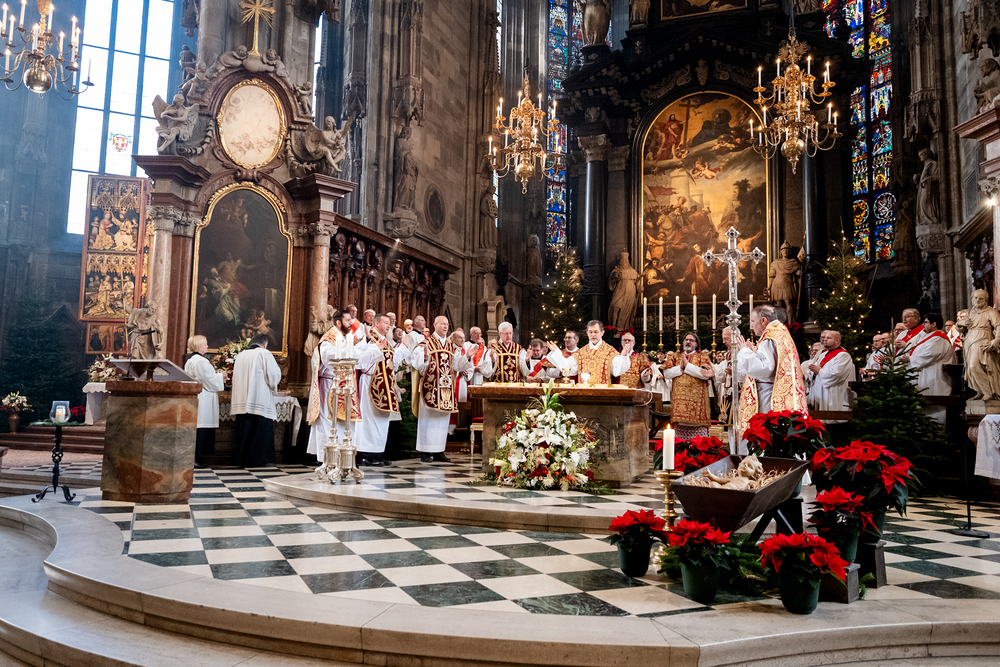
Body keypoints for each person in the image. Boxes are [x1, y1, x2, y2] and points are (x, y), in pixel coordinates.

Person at [734, 304, 808, 451]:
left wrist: (744, 351)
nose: (751, 326)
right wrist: (753, 351)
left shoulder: (770, 337)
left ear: (763, 320)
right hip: (774, 391)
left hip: (769, 396)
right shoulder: (781, 333)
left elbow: (764, 369)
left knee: (766, 442)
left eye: (753, 322)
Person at [306, 311, 371, 464]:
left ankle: (342, 458)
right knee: (328, 422)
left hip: (344, 384)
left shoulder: (345, 338)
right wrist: (349, 345)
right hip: (329, 385)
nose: (351, 324)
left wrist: (371, 348)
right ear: (338, 323)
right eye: (348, 320)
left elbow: (358, 358)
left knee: (344, 422)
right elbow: (329, 358)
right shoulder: (328, 339)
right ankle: (327, 460)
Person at [410, 316, 472, 462]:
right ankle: (425, 451)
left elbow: (457, 365)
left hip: (446, 389)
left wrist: (468, 357)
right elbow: (417, 366)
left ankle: (439, 451)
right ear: (434, 325)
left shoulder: (451, 347)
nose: (445, 326)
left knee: (443, 421)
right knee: (428, 420)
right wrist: (425, 357)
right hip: (430, 387)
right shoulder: (425, 343)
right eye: (442, 324)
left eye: (447, 324)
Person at [356, 313, 410, 465]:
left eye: (389, 323)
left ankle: (378, 452)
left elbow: (392, 361)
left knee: (382, 419)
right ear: (376, 323)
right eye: (386, 323)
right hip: (370, 382)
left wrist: (404, 346)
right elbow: (361, 358)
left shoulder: (385, 341)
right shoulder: (369, 338)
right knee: (369, 419)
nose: (389, 325)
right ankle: (366, 454)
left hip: (385, 385)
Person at [231, 332, 282, 467]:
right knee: (259, 430)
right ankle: (259, 460)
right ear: (265, 345)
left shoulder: (241, 354)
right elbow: (273, 375)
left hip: (241, 399)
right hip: (259, 398)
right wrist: (274, 385)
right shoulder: (264, 353)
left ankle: (242, 460)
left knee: (244, 430)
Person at [660, 331, 715, 438]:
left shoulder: (702, 356)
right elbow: (666, 373)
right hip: (679, 405)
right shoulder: (676, 356)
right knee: (680, 440)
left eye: (691, 340)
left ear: (696, 344)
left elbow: (706, 374)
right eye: (686, 340)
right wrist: (680, 367)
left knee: (698, 441)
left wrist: (687, 366)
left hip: (697, 404)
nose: (688, 342)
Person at [904, 312, 956, 424]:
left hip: (935, 380)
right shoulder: (931, 337)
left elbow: (929, 355)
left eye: (925, 322)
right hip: (927, 379)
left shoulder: (938, 339)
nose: (923, 325)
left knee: (934, 411)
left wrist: (910, 359)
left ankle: (936, 433)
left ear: (934, 324)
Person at [184, 335, 225, 465]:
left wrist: (215, 374)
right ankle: (198, 458)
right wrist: (221, 375)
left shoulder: (192, 360)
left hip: (200, 396)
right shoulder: (200, 361)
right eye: (205, 344)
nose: (207, 346)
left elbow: (204, 377)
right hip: (203, 398)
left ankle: (197, 458)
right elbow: (209, 381)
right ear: (198, 345)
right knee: (201, 425)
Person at [956, 290, 1000, 401]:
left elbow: (998, 326)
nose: (978, 300)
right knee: (970, 369)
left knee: (974, 365)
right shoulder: (970, 313)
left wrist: (996, 340)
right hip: (969, 342)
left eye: (981, 298)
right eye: (975, 298)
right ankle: (980, 391)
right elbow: (962, 328)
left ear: (986, 300)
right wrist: (960, 324)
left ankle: (988, 391)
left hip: (982, 340)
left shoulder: (991, 312)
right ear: (972, 299)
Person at [805, 330, 855, 423]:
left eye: (828, 338)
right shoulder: (823, 354)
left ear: (837, 340)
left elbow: (836, 374)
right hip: (820, 391)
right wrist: (813, 371)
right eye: (824, 337)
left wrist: (819, 370)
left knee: (831, 420)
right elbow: (815, 368)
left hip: (833, 392)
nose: (824, 339)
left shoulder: (843, 355)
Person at [564, 320, 629, 384]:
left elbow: (617, 371)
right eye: (590, 332)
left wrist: (624, 356)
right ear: (587, 333)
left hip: (603, 390)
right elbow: (566, 366)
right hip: (584, 390)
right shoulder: (580, 353)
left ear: (602, 332)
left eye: (596, 332)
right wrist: (557, 352)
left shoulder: (610, 352)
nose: (593, 334)